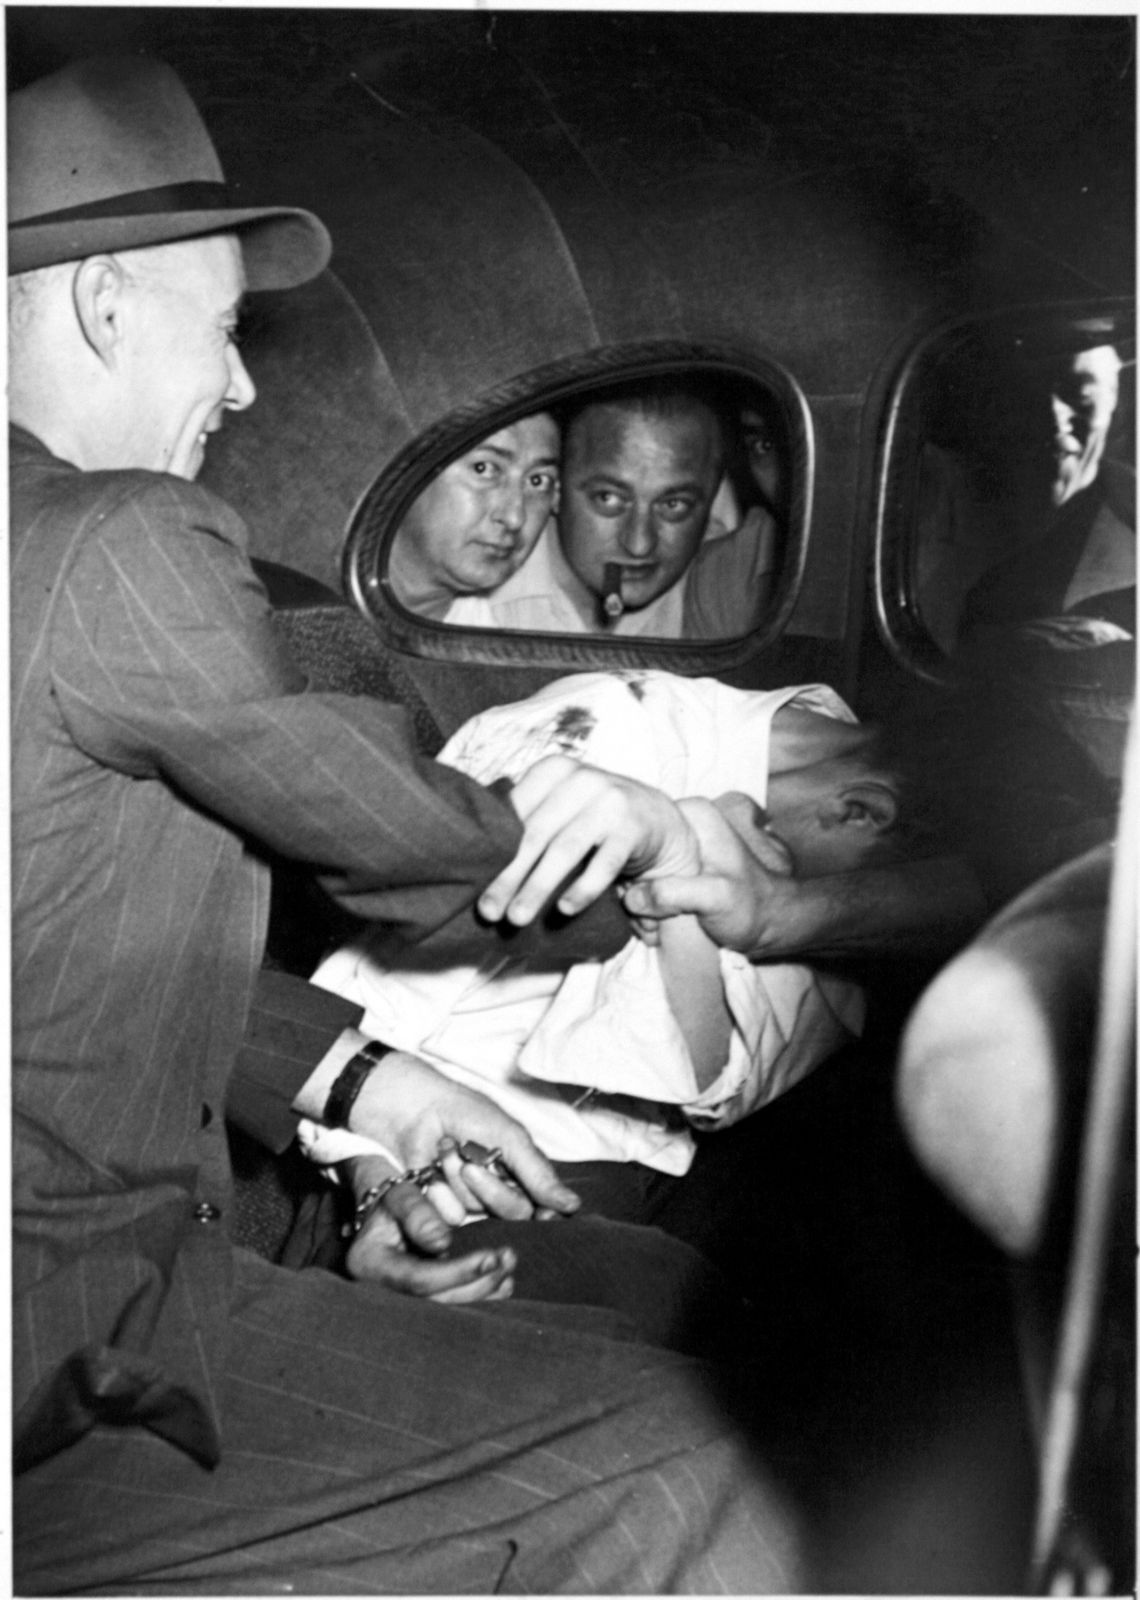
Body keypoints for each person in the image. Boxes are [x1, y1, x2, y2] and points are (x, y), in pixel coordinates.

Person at [10, 55, 808, 1593]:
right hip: (78, 1351)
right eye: (224, 330)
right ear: (106, 303)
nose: (242, 388)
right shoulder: (117, 541)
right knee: (714, 1453)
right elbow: (418, 862)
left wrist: (370, 1081)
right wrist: (653, 854)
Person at [298, 669, 930, 1276]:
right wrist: (370, 1161)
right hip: (420, 1144)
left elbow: (717, 1084)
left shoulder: (864, 936)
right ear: (863, 812)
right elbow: (381, 975)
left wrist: (683, 856)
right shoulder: (611, 727)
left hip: (614, 1181)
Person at [481, 380, 780, 637]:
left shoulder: (720, 586)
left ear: (713, 496)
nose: (639, 545)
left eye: (673, 505)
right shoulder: (478, 593)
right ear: (556, 488)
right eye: (608, 498)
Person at [387, 410, 560, 621]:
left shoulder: (494, 635)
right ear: (405, 470)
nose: (514, 518)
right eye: (483, 468)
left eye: (538, 481)